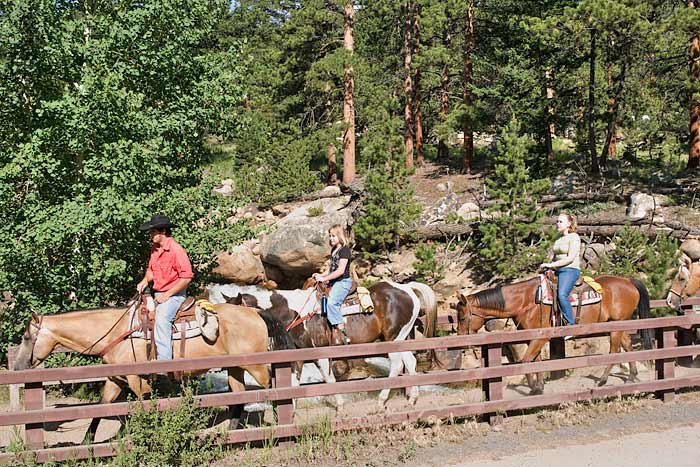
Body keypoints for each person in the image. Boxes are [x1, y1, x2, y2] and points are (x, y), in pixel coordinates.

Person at [136, 214, 193, 360]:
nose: (150, 235)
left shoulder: (176, 250)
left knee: (161, 319)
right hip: (158, 294)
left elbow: (186, 278)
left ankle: (164, 363)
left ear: (162, 231)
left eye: (152, 231)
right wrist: (144, 281)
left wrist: (167, 295)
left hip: (175, 296)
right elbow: (151, 271)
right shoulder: (155, 249)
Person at [313, 224, 353, 344]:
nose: (331, 238)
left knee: (331, 303)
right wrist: (320, 275)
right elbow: (331, 269)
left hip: (342, 282)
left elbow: (340, 271)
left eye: (333, 236)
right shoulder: (334, 250)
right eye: (330, 236)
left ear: (340, 236)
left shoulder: (344, 250)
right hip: (334, 281)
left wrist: (324, 279)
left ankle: (341, 328)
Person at [541, 212, 581, 326]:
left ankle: (570, 324)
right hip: (558, 270)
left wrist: (552, 265)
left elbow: (570, 258)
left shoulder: (574, 237)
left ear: (568, 224)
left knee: (562, 294)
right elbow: (554, 256)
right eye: (557, 221)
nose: (558, 224)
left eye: (561, 222)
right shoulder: (558, 238)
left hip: (570, 270)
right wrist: (549, 265)